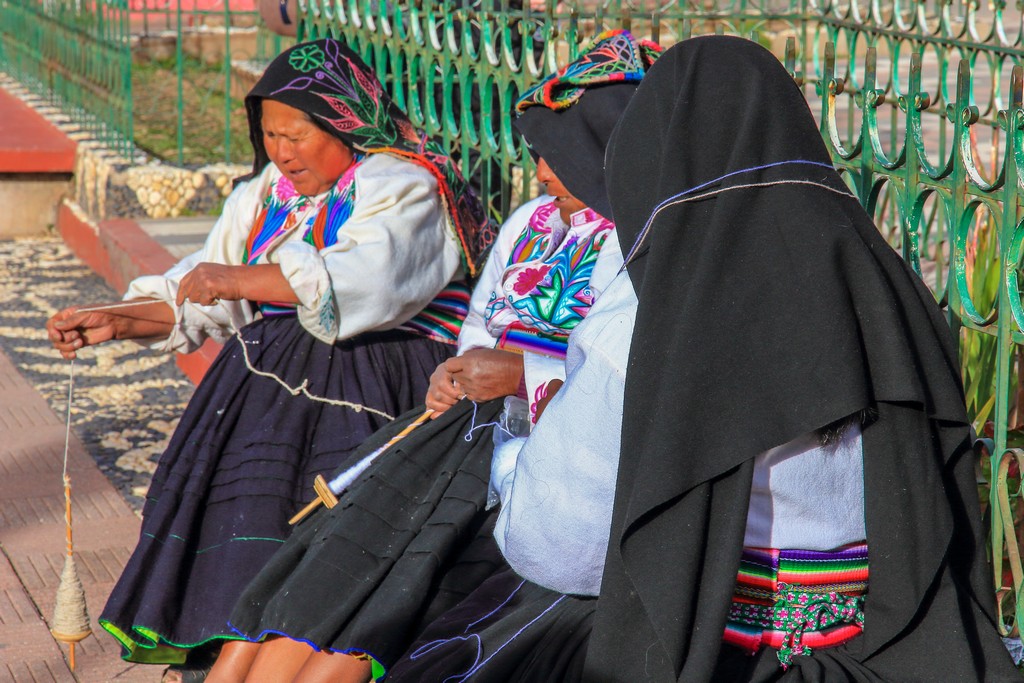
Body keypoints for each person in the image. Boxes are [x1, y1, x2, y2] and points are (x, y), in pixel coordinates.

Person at [388, 35, 1021, 682]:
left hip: (726, 659)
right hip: (897, 654)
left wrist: (512, 474)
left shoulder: (652, 314)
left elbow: (559, 541)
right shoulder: (887, 287)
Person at [213, 29, 661, 683]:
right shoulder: (531, 223)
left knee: (395, 585)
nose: (539, 172)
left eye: (558, 155)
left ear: (611, 148)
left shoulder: (641, 245)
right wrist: (466, 369)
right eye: (538, 154)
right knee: (332, 561)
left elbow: (624, 383)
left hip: (551, 464)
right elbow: (481, 320)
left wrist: (518, 376)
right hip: (465, 433)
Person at [45, 37, 491, 680]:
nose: (281, 151)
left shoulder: (403, 186)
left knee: (327, 553)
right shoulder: (264, 195)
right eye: (270, 134)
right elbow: (200, 288)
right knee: (249, 536)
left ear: (345, 121)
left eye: (297, 134)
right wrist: (119, 320)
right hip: (264, 398)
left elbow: (367, 281)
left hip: (370, 393)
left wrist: (240, 280)